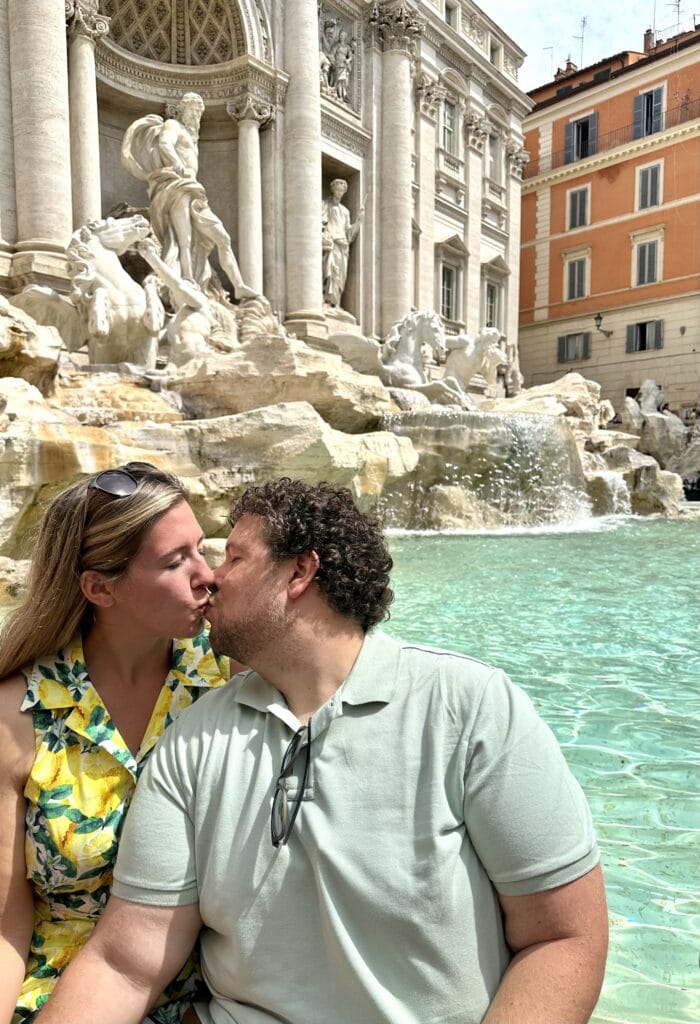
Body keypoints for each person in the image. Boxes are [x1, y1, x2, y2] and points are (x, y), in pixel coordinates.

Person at [35, 478, 608, 1024]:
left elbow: (563, 936)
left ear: (300, 572)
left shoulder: (469, 707)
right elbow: (126, 963)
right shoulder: (191, 738)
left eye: (234, 558)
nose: (212, 578)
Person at [0, 463, 234, 1024]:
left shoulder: (230, 680)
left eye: (202, 549)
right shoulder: (18, 717)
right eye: (176, 562)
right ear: (100, 587)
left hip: (219, 1003)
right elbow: (5, 924)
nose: (209, 576)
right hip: (62, 1003)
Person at [121, 92, 256, 301]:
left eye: (198, 112)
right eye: (192, 110)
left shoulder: (193, 137)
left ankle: (238, 286)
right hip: (177, 187)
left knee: (223, 238)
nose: (196, 116)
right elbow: (165, 143)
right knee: (184, 239)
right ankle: (188, 280)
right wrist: (175, 162)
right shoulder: (174, 126)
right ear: (182, 110)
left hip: (193, 191)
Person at [321, 178, 362, 308]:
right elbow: (322, 222)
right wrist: (327, 236)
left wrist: (359, 220)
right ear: (333, 190)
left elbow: (349, 232)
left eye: (341, 191)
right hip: (332, 243)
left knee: (340, 275)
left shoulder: (345, 211)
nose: (339, 193)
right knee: (331, 271)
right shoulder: (326, 205)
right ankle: (327, 300)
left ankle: (336, 302)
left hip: (343, 246)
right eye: (337, 190)